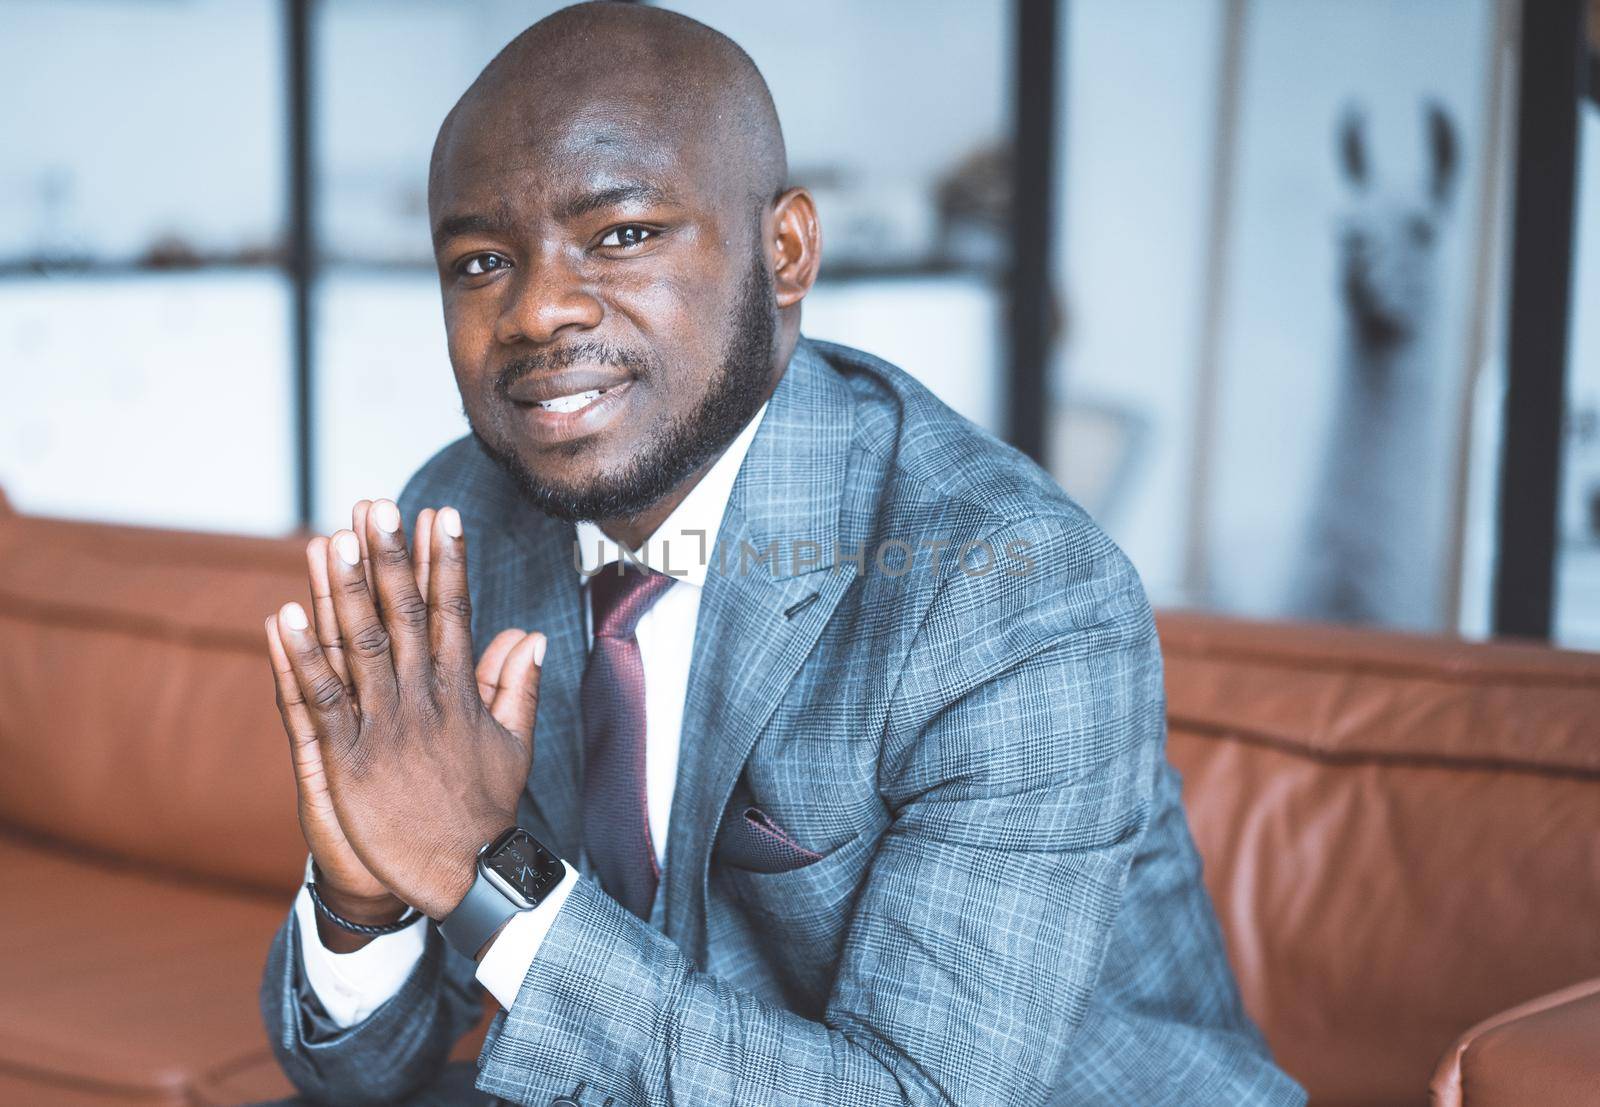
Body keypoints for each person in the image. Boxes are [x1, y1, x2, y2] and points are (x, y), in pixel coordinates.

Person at [258, 3, 1306, 1104]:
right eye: (480, 261)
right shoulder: (463, 521)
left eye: (621, 235)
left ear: (786, 250)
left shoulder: (1009, 588)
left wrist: (482, 874)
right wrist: (362, 888)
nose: (537, 309)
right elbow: (356, 1075)